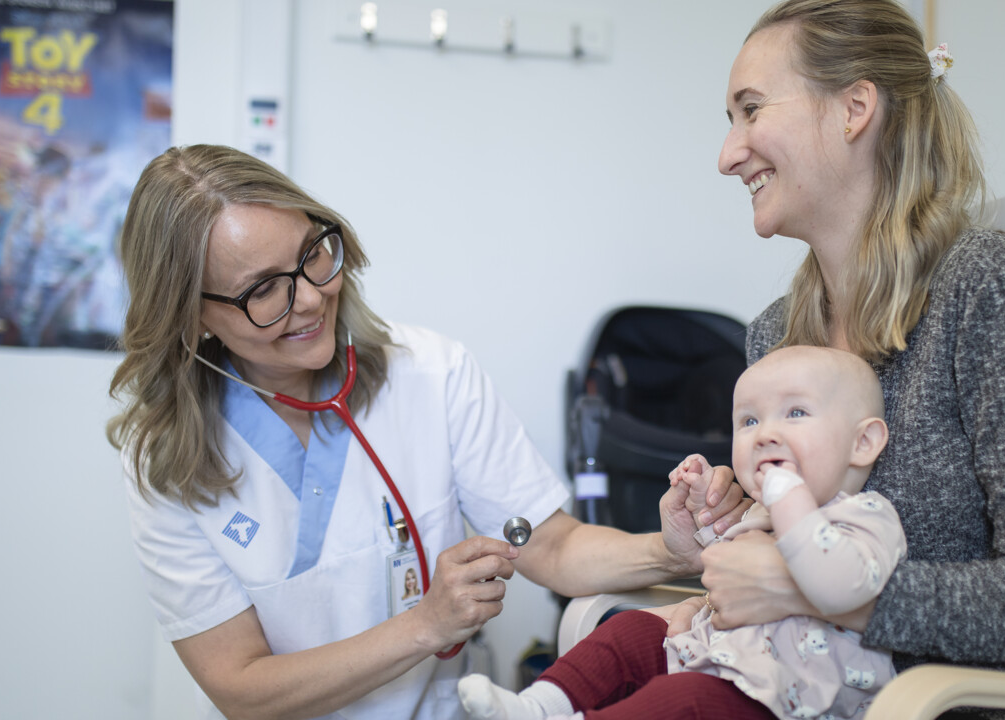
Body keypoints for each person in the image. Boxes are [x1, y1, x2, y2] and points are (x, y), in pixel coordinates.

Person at [106, 144, 748, 720]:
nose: (308, 298)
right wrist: (427, 623)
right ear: (194, 320)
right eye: (263, 291)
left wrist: (672, 551)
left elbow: (548, 546)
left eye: (311, 256)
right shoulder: (167, 464)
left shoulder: (433, 373)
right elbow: (240, 688)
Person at [670, 1, 1005, 719]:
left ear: (854, 108)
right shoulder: (777, 338)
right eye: (729, 122)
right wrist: (712, 534)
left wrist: (813, 590)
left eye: (750, 111)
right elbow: (782, 576)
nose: (728, 155)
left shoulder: (988, 290)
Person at [457, 345, 907, 720]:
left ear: (862, 443)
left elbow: (841, 587)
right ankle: (537, 708)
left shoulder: (867, 517)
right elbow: (722, 568)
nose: (766, 433)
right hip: (728, 669)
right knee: (632, 630)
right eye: (749, 421)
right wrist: (702, 517)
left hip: (794, 703)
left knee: (683, 702)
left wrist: (791, 504)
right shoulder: (761, 514)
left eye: (796, 412)